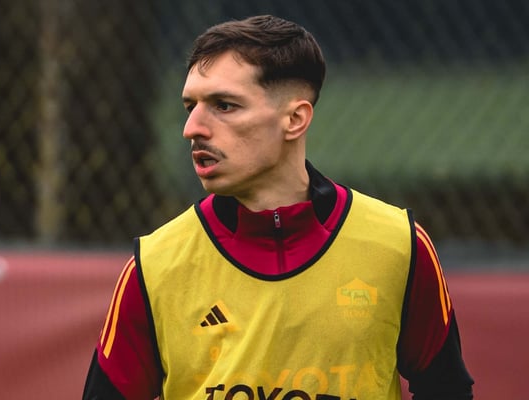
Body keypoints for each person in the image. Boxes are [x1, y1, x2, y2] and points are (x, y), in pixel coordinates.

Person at [83, 15, 474, 400]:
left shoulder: (398, 245)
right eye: (190, 107)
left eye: (224, 105)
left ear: (295, 119)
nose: (192, 128)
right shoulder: (156, 265)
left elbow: (447, 390)